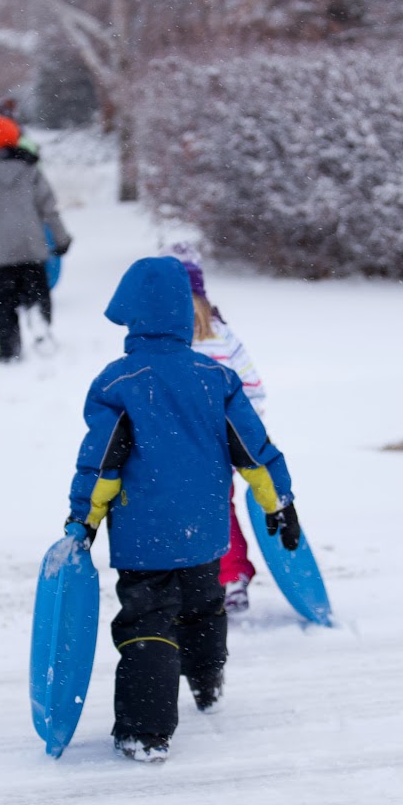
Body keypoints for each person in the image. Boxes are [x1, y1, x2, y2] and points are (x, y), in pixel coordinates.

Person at [64, 256, 301, 763]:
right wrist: (279, 501)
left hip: (144, 535)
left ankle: (145, 732)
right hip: (205, 531)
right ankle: (207, 682)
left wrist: (83, 520)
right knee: (202, 606)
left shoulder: (118, 382)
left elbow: (102, 464)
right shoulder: (215, 378)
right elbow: (253, 449)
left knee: (148, 622)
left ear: (133, 315)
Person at [162, 243, 267, 614]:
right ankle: (223, 577)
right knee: (213, 511)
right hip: (208, 447)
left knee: (197, 512)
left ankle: (221, 578)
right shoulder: (218, 336)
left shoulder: (172, 341)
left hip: (196, 449)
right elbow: (253, 389)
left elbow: (251, 390)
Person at [0, 115, 72, 362]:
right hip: (32, 248)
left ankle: (8, 351)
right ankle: (40, 323)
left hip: (1, 255)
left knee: (4, 306)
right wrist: (62, 238)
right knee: (38, 293)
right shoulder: (32, 172)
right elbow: (50, 209)